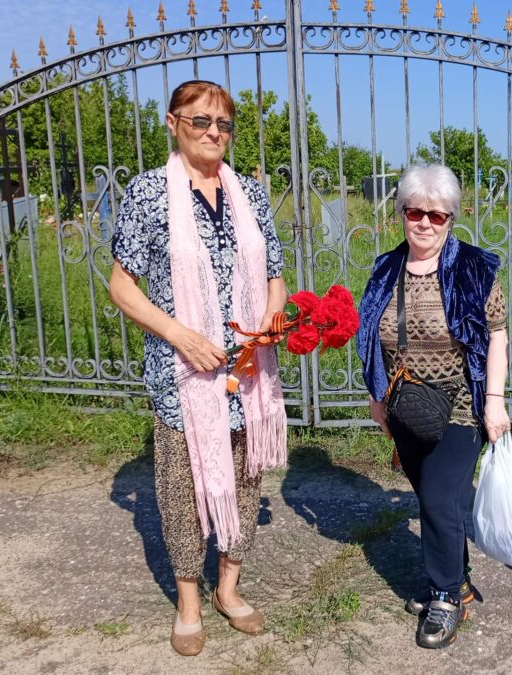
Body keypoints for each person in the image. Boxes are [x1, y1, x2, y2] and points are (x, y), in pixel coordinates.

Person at [108, 80, 288, 657]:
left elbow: (275, 274)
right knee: (183, 491)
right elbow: (122, 286)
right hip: (182, 374)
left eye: (224, 124)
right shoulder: (148, 194)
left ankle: (228, 589)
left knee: (245, 481)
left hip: (248, 372)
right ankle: (188, 604)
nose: (214, 133)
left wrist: (272, 318)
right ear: (173, 123)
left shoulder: (249, 193)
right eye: (201, 121)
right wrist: (180, 335)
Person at [356, 164, 510, 649]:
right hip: (405, 404)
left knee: (440, 499)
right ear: (401, 213)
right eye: (415, 212)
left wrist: (495, 401)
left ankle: (443, 596)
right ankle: (458, 583)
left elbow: (498, 335)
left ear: (451, 219)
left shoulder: (473, 268)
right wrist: (376, 398)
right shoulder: (386, 268)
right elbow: (370, 336)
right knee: (432, 498)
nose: (424, 223)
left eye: (436, 215)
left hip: (461, 403)